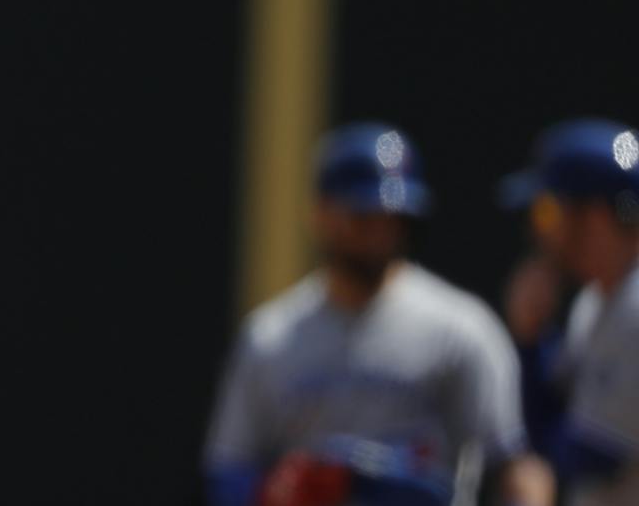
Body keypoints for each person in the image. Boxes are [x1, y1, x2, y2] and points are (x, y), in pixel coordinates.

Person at [203, 122, 554, 506]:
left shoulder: (460, 327)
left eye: (394, 217)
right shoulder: (271, 337)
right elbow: (227, 471)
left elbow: (514, 465)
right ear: (319, 213)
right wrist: (269, 491)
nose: (381, 230)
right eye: (364, 215)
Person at [499, 117, 639, 506]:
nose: (538, 230)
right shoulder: (595, 302)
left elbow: (583, 457)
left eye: (547, 212)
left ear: (594, 219)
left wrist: (531, 344)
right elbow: (552, 415)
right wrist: (532, 337)